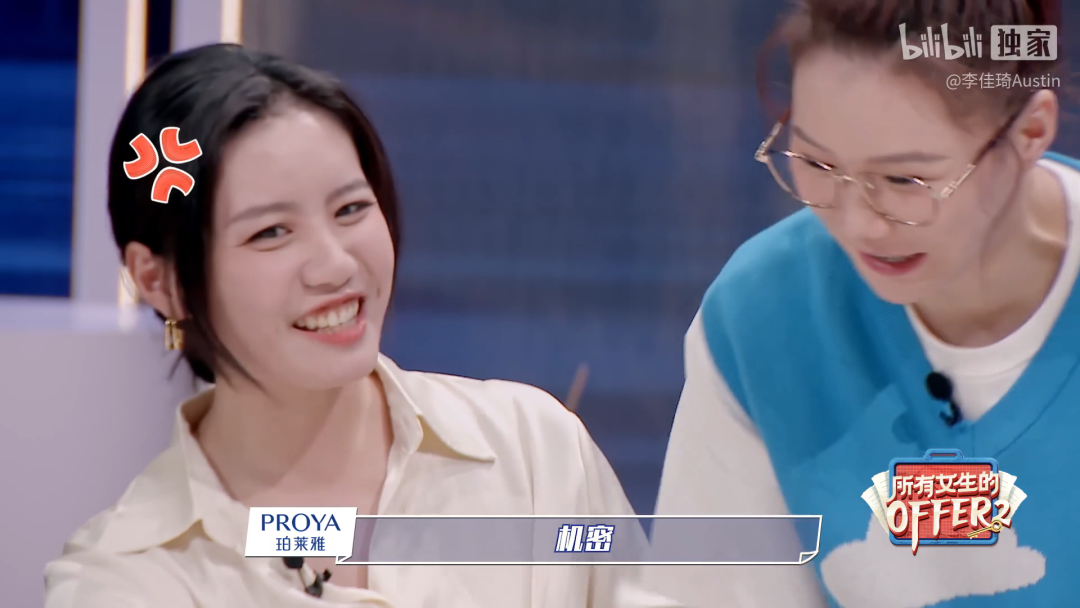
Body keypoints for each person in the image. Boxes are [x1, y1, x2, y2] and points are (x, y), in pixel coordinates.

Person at [43, 44, 679, 608]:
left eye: (350, 209)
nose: (336, 265)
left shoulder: (535, 452)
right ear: (160, 281)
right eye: (272, 232)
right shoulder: (126, 580)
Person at [649, 0, 1078, 606]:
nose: (859, 225)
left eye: (905, 180)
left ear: (1030, 132)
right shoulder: (764, 314)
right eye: (817, 163)